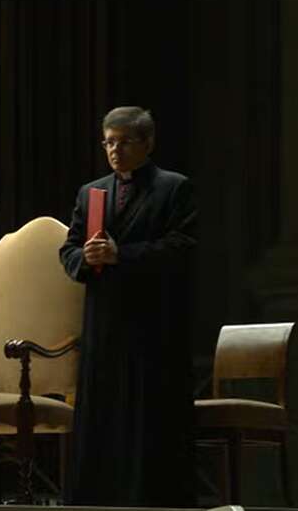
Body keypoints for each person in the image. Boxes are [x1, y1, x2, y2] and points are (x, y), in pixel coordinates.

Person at [58, 106, 197, 507]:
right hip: (104, 324)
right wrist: (87, 258)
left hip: (154, 325)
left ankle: (150, 500)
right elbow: (68, 249)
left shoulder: (174, 188)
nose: (115, 150)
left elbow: (183, 247)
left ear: (148, 143)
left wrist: (123, 255)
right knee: (104, 418)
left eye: (124, 142)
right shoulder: (92, 192)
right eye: (109, 142)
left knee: (148, 421)